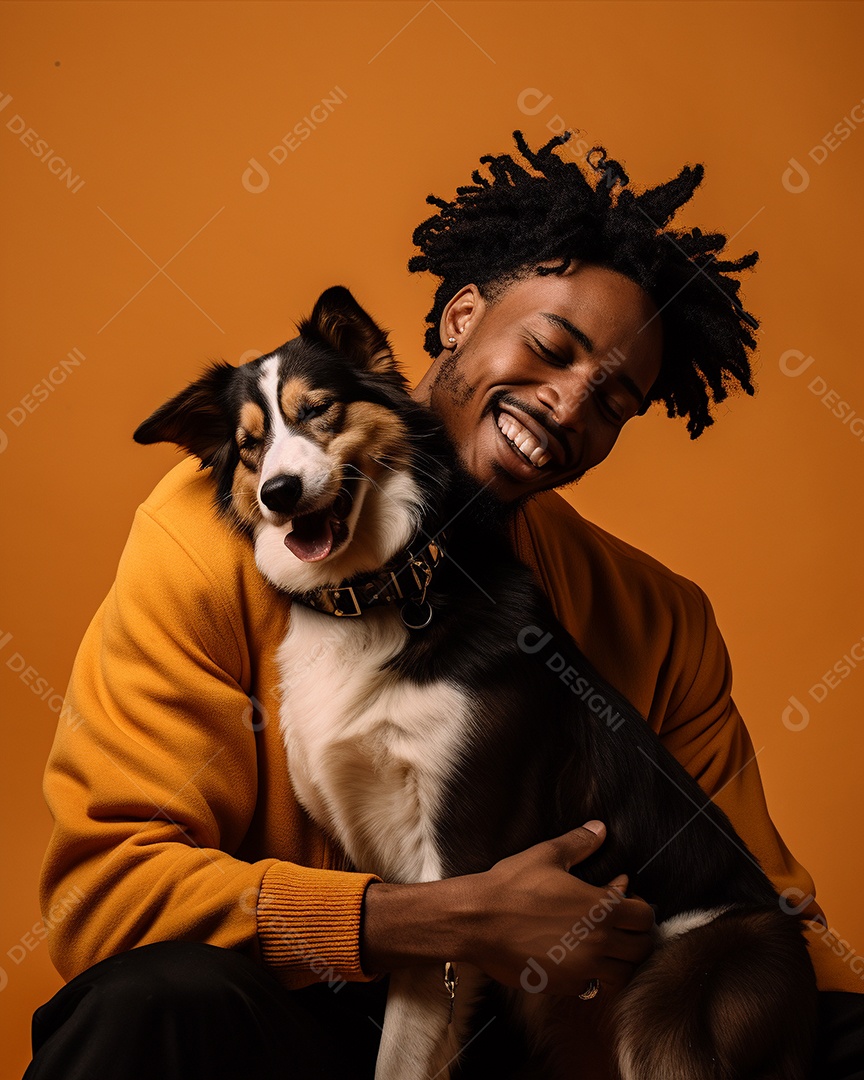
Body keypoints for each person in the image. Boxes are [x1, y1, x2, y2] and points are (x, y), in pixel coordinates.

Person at [26, 131, 863, 1079]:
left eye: (615, 399)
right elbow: (104, 896)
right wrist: (433, 921)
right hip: (305, 1020)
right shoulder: (207, 538)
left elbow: (774, 910)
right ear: (461, 315)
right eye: (550, 347)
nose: (568, 404)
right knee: (154, 1001)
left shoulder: (656, 615)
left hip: (558, 1033)